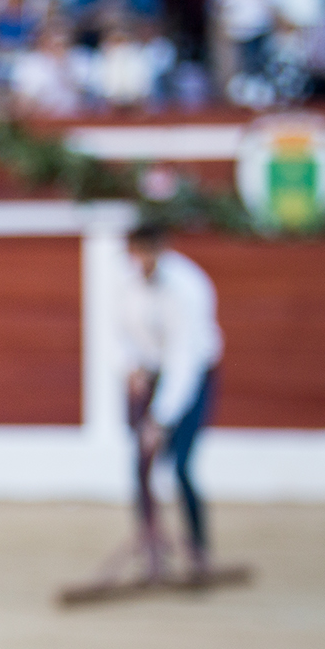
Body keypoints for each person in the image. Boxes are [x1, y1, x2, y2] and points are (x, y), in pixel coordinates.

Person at [119, 222, 222, 576]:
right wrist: (131, 366)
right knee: (142, 464)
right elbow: (120, 332)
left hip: (194, 377)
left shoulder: (187, 288)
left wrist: (161, 419)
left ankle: (198, 551)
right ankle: (152, 549)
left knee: (180, 466)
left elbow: (184, 361)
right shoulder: (126, 283)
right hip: (150, 375)